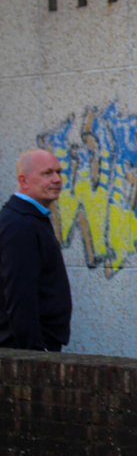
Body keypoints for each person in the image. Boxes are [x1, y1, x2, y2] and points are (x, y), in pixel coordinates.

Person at [0, 149, 72, 351]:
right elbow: (19, 294)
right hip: (29, 352)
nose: (57, 179)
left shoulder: (27, 219)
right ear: (24, 181)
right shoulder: (21, 224)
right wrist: (34, 355)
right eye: (47, 173)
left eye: (58, 172)